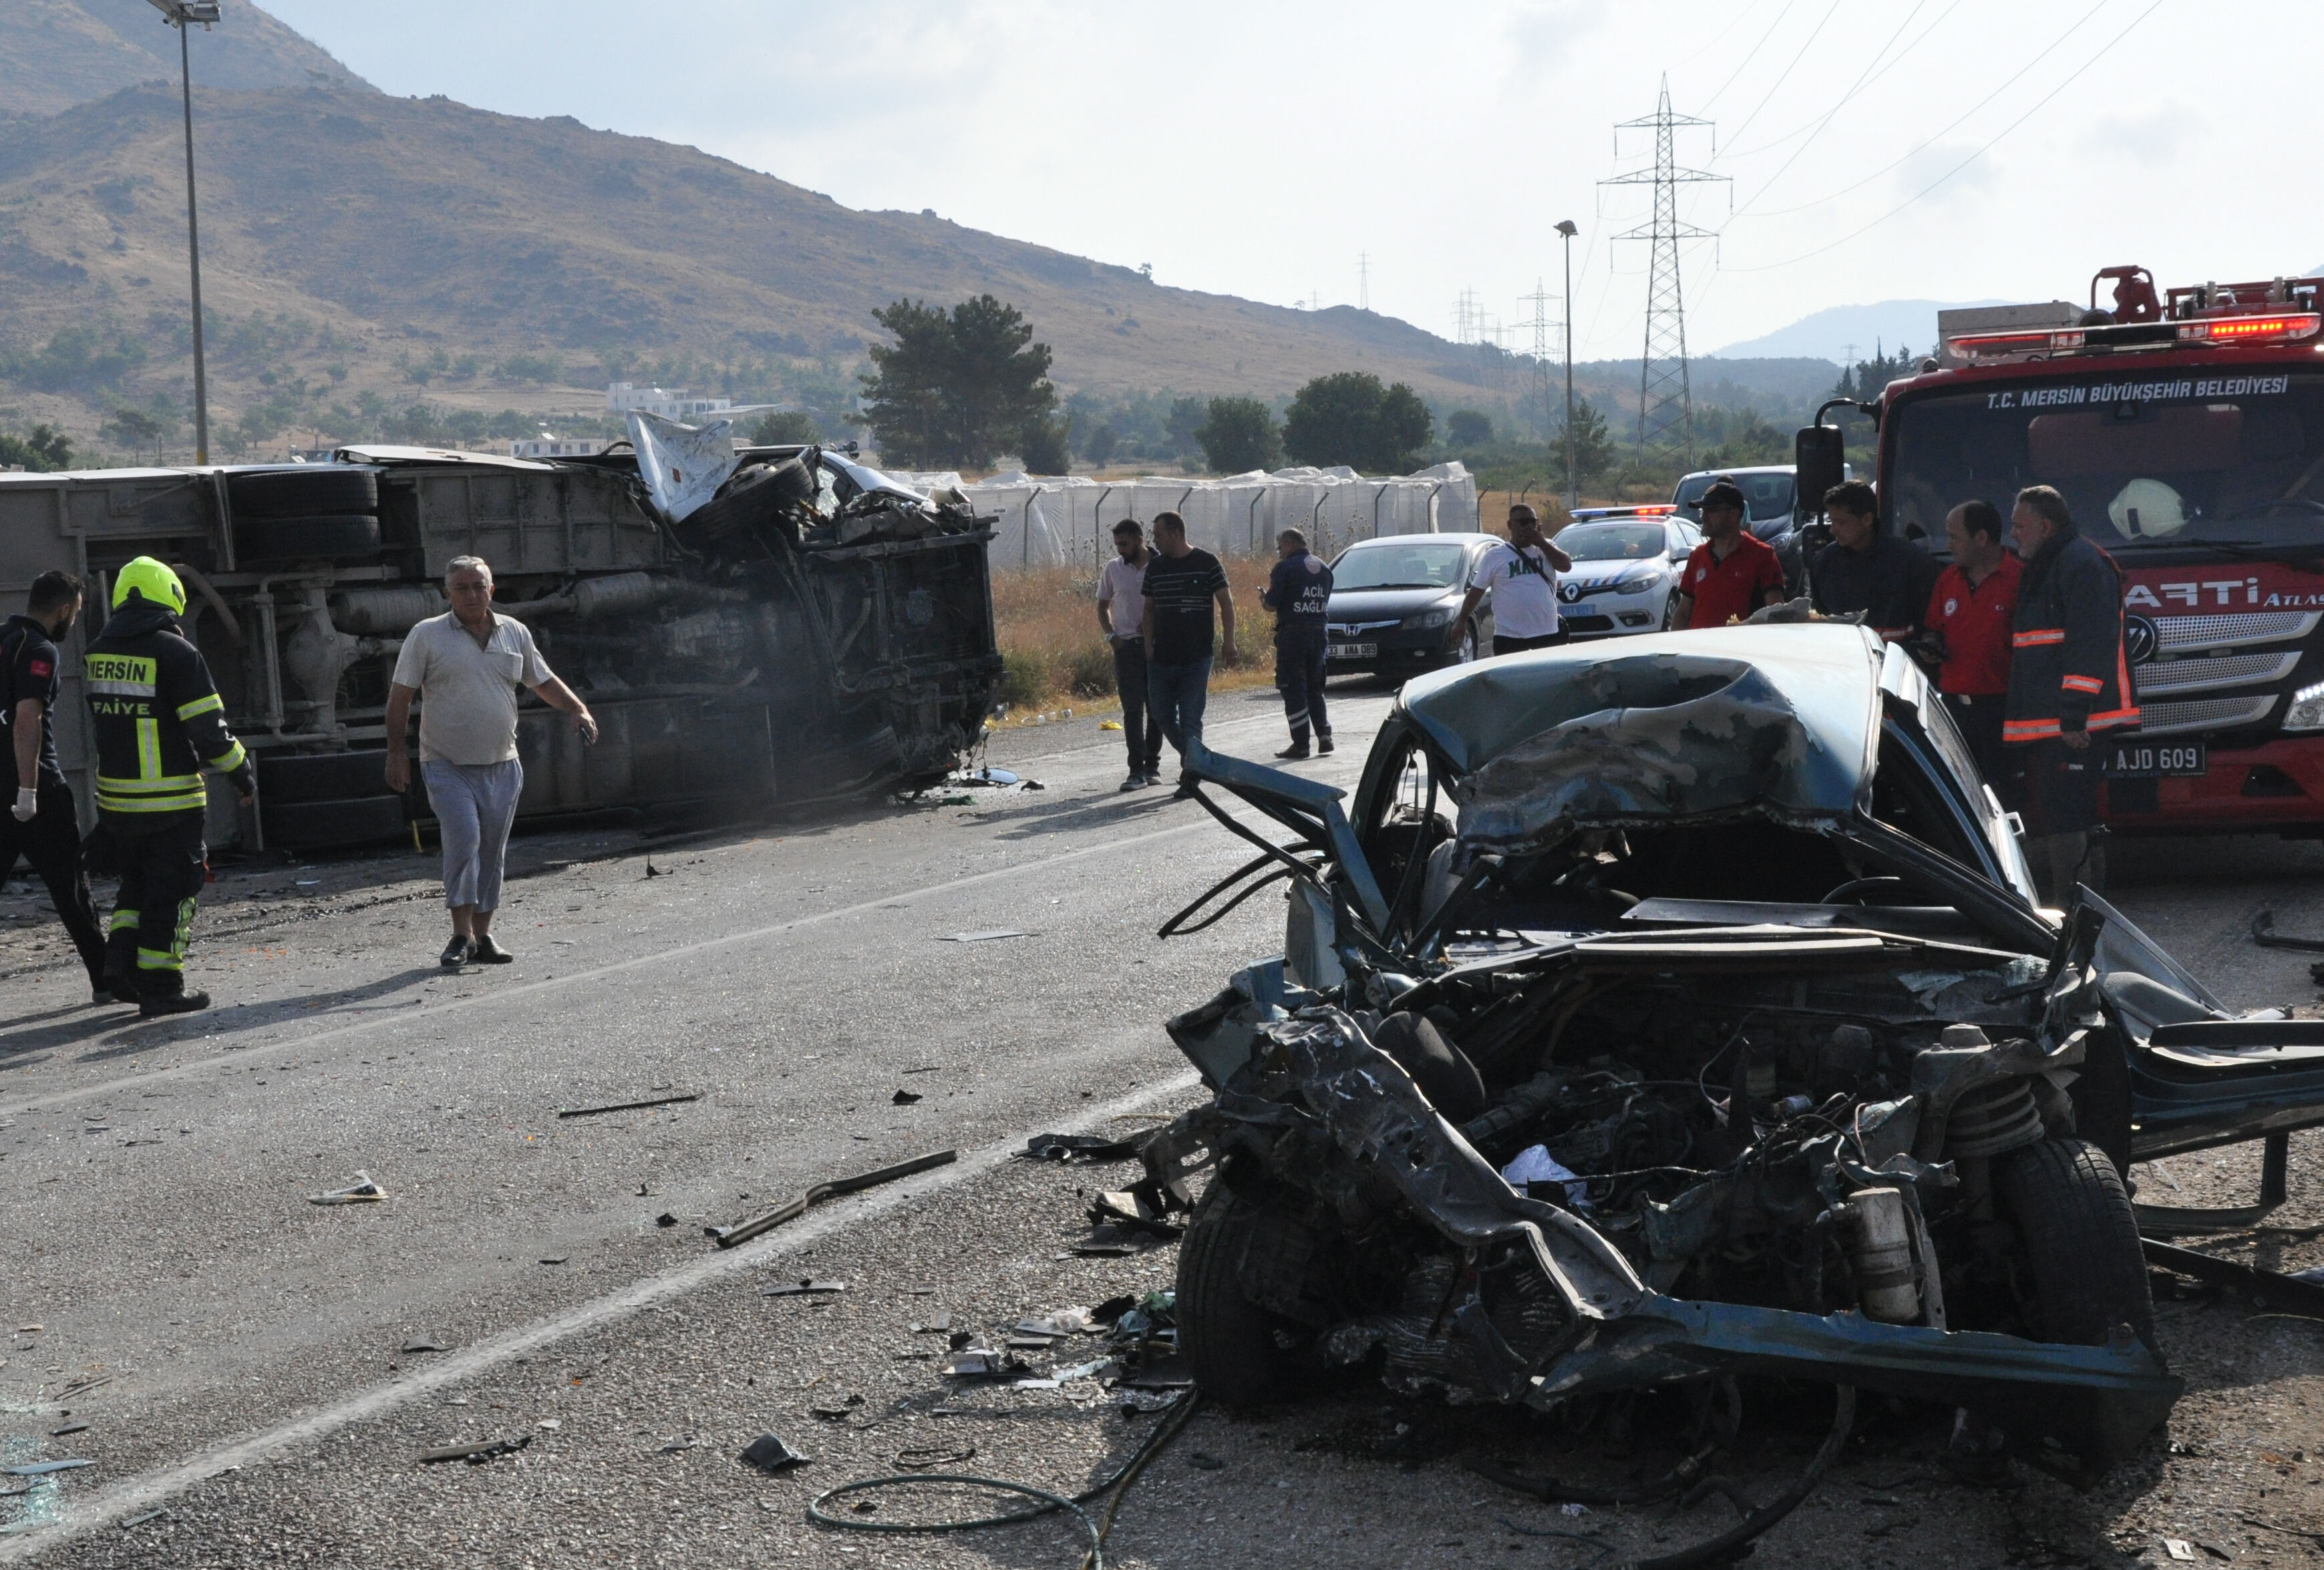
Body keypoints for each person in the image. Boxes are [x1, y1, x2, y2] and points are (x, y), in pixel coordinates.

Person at [385, 556, 599, 967]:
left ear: (492, 590)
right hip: (446, 763)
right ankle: (460, 935)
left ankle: (482, 937)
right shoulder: (426, 636)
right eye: (462, 588)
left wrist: (578, 709)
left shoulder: (514, 632)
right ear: (447, 594)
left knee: (492, 852)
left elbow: (543, 680)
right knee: (465, 840)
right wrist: (397, 753)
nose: (471, 594)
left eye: (478, 586)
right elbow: (401, 697)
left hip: (503, 763)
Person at [82, 557, 253, 1016]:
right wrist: (242, 773)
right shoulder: (176, 653)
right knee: (174, 890)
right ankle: (161, 986)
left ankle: (120, 967)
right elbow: (209, 730)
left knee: (135, 885)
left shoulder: (98, 650)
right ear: (170, 595)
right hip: (170, 801)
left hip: (117, 804)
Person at [2003, 485, 2138, 902]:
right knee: (2069, 812)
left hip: (2077, 721)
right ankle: (2082, 908)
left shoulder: (2079, 563)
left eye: (2020, 526)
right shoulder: (2057, 560)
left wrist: (2074, 715)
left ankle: (2074, 910)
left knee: (2064, 814)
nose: (2014, 534)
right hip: (2058, 718)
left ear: (2045, 527)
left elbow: (2091, 644)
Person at [3, 571, 108, 1003]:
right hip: (37, 794)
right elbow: (29, 717)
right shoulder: (40, 650)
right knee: (72, 892)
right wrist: (28, 790)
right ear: (64, 610)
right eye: (76, 614)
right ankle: (106, 981)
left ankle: (106, 979)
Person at [1920, 499, 2023, 789]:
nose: (1948, 544)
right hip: (1956, 708)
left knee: (2004, 791)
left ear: (1981, 538)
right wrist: (1930, 647)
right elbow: (1933, 629)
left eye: (1954, 537)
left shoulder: (2020, 578)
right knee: (1960, 789)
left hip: (2003, 708)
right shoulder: (1948, 579)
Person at [1138, 512, 1235, 800]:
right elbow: (1148, 608)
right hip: (1162, 656)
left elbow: (1226, 604)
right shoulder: (1155, 567)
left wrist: (1229, 641)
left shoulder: (1207, 563)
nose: (1154, 539)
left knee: (1192, 717)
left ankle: (1191, 775)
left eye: (1158, 534)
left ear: (1176, 533)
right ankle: (1198, 760)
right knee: (1161, 713)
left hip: (1197, 656)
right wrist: (1148, 643)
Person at [1809, 479, 1940, 639]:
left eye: (1841, 522)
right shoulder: (1823, 565)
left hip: (1897, 661)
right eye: (1832, 521)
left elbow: (1931, 628)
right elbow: (1819, 625)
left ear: (1867, 520)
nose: (1833, 530)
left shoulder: (1912, 562)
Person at [1446, 503, 1574, 657]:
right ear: (1510, 525)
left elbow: (1566, 566)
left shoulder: (1546, 548)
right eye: (1522, 522)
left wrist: (1541, 542)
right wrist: (1461, 621)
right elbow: (1476, 592)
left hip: (1547, 632)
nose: (1527, 527)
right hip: (1510, 636)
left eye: (1532, 522)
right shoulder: (1496, 555)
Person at [1096, 519, 1162, 791]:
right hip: (1126, 648)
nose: (1121, 549)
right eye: (1118, 545)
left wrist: (1154, 625)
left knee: (1157, 708)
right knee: (1132, 710)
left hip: (1156, 646)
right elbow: (1102, 605)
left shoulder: (1161, 565)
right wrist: (1112, 636)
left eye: (1125, 544)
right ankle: (1135, 770)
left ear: (1139, 539)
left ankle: (1152, 765)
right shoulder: (1113, 569)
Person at [1675, 479, 1788, 628]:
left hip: (1738, 648)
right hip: (1699, 648)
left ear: (1733, 514)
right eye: (1703, 511)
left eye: (1711, 511)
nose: (1703, 517)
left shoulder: (1762, 555)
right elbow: (1683, 612)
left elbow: (1775, 612)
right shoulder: (1698, 556)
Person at [1262, 528, 1335, 759]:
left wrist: (1263, 598)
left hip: (1293, 635)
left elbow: (1272, 605)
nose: (1279, 552)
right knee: (1315, 687)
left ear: (1290, 544)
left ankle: (1301, 744)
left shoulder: (1284, 568)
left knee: (1292, 688)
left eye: (1280, 547)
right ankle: (1325, 736)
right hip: (1319, 633)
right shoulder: (1324, 568)